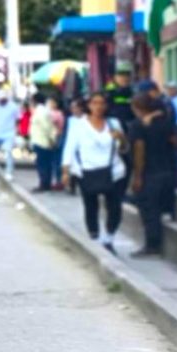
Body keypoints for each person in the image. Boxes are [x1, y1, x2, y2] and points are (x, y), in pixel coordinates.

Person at [62, 92, 127, 252]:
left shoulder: (113, 123)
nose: (98, 107)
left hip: (113, 171)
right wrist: (66, 171)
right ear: (88, 105)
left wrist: (121, 138)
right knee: (90, 205)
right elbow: (69, 148)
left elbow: (124, 149)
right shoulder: (78, 125)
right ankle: (95, 237)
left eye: (102, 103)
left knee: (115, 206)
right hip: (87, 170)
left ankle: (109, 238)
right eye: (94, 103)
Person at [129, 91, 177, 257]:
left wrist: (137, 176)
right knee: (163, 209)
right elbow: (176, 142)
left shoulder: (138, 125)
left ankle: (152, 245)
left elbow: (139, 150)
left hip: (150, 173)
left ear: (136, 108)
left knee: (149, 211)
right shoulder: (165, 122)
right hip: (167, 171)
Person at [29, 94, 65, 192]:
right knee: (45, 164)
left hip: (42, 141)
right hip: (40, 140)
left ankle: (44, 184)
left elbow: (47, 127)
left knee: (43, 164)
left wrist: (51, 139)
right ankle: (45, 183)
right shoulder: (41, 111)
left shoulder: (41, 112)